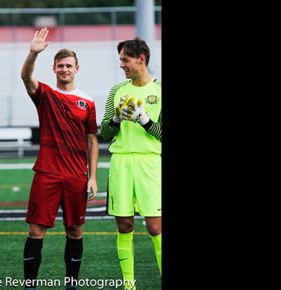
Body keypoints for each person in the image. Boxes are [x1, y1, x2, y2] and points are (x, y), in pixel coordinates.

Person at [20, 27, 99, 290]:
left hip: (77, 176)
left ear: (77, 68)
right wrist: (33, 53)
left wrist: (93, 177)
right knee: (35, 232)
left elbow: (92, 141)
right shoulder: (45, 94)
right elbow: (26, 77)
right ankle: (29, 284)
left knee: (75, 231)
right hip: (47, 174)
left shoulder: (87, 101)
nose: (64, 69)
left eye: (69, 65)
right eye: (60, 66)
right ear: (53, 69)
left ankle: (71, 284)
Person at [100, 37, 162, 290]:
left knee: (155, 226)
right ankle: (129, 285)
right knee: (124, 224)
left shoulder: (160, 90)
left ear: (141, 59)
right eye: (120, 60)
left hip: (150, 163)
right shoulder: (117, 91)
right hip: (121, 163)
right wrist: (115, 119)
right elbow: (104, 133)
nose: (122, 65)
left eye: (125, 59)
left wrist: (144, 120)